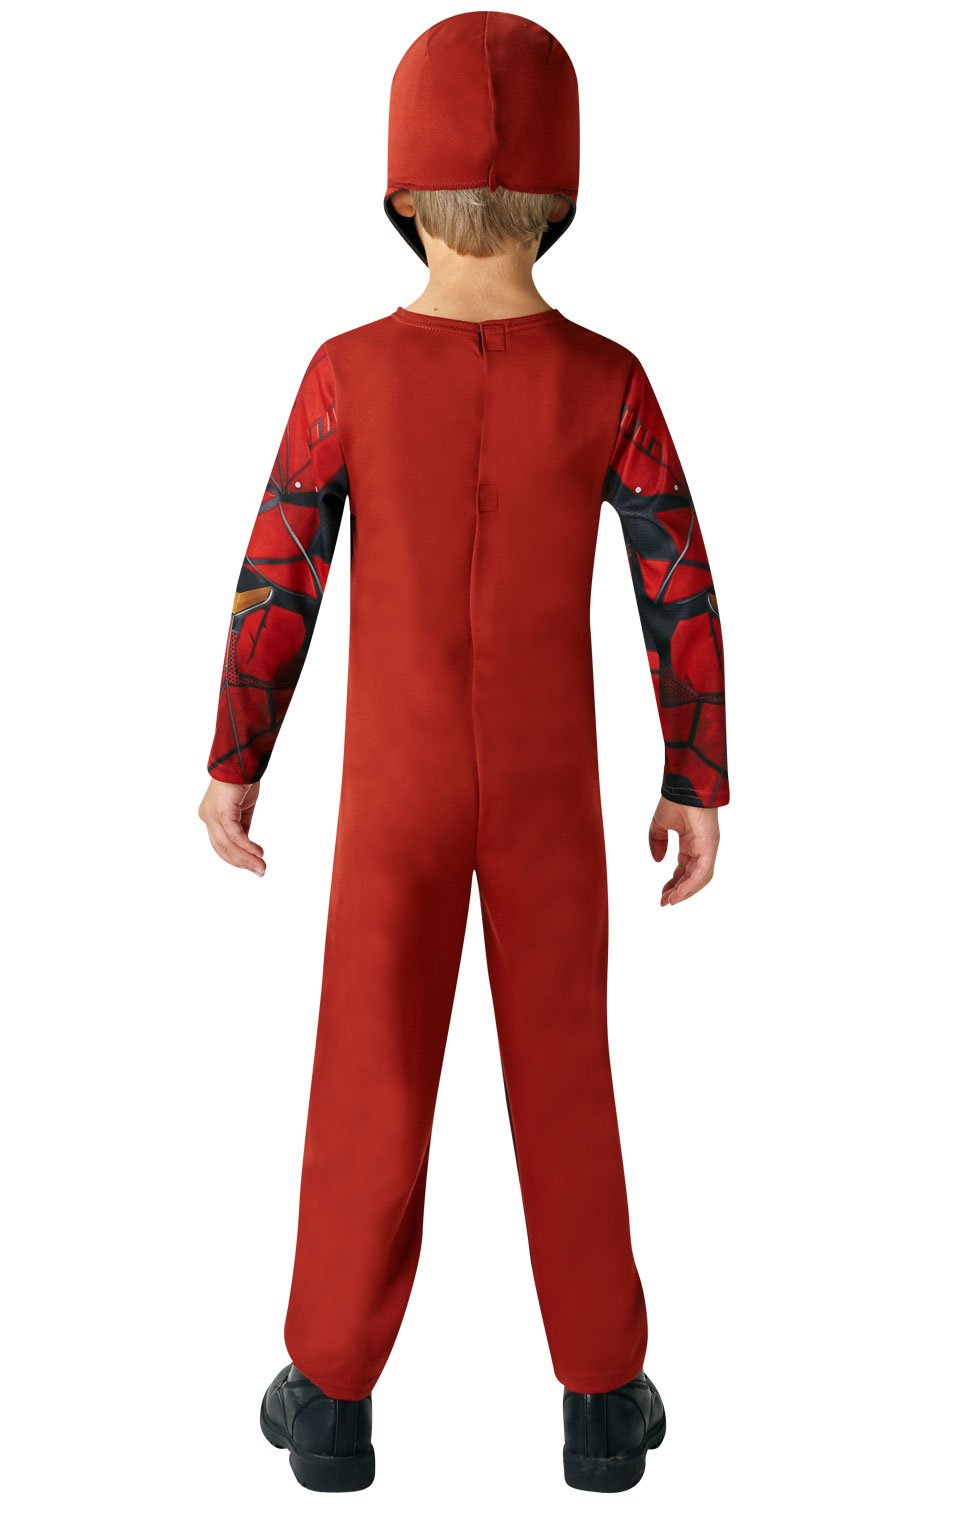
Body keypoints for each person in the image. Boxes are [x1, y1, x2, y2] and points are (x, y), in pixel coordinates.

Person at [198, 9, 728, 1496]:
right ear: (561, 193)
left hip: (396, 793)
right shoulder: (609, 378)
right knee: (566, 1073)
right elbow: (676, 576)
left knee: (369, 1068)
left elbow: (280, 570)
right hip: (550, 787)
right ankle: (603, 1402)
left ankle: (331, 1398)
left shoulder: (347, 373)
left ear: (400, 191)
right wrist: (694, 774)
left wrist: (237, 758)